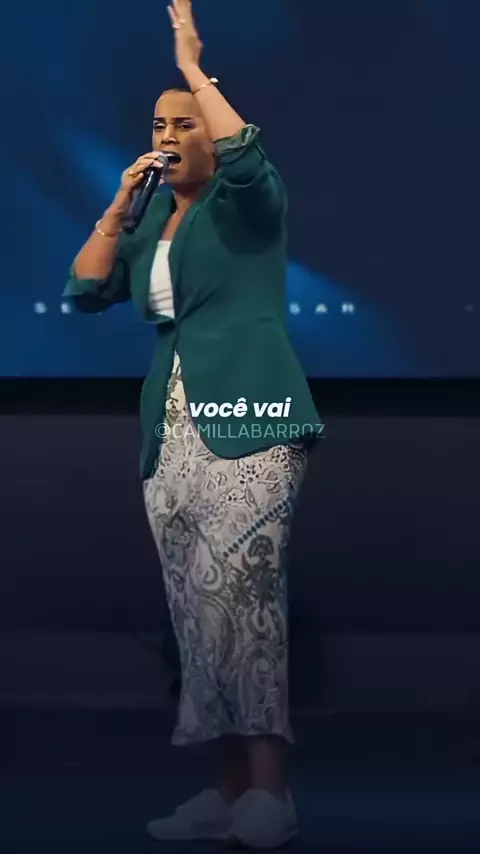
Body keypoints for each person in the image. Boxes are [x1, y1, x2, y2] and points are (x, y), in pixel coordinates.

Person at [64, 0, 322, 847]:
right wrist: (119, 203)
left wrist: (190, 65)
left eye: (185, 122)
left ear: (211, 135)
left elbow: (245, 154)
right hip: (171, 434)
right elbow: (85, 291)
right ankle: (227, 791)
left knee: (247, 600)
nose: (170, 134)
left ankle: (272, 795)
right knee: (199, 616)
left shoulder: (248, 207)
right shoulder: (152, 225)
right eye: (159, 123)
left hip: (251, 418)